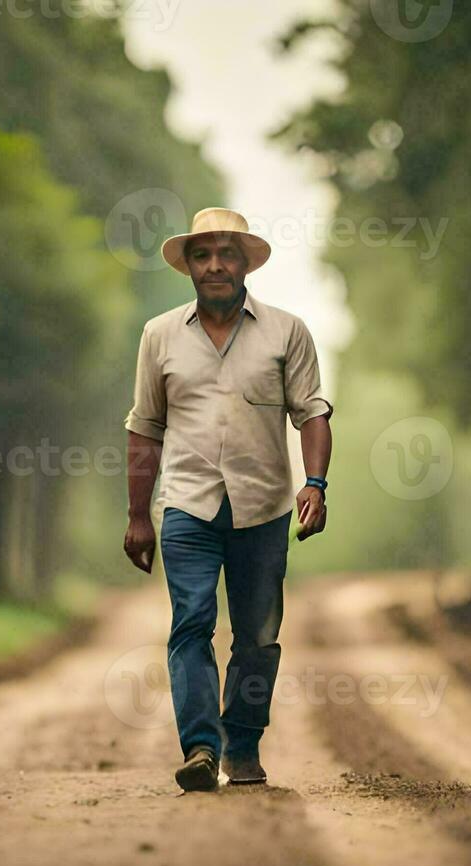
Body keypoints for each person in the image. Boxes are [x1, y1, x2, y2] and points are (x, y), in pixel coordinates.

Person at [122, 207, 334, 792]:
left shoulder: (286, 332)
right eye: (202, 255)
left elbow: (312, 413)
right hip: (187, 505)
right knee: (191, 623)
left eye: (226, 254)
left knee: (258, 635)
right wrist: (139, 516)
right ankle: (200, 748)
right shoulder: (159, 335)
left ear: (245, 263)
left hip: (264, 508)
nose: (214, 265)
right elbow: (145, 428)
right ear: (189, 265)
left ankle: (243, 742)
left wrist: (315, 483)